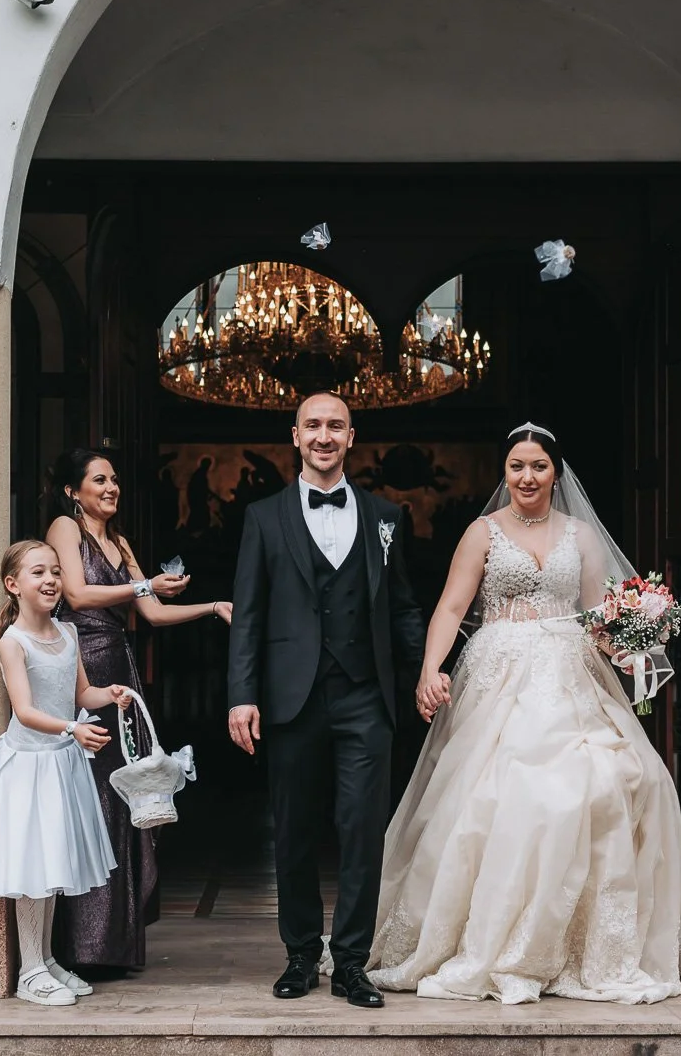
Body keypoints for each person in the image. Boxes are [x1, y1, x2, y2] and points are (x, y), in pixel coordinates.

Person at [369, 422, 681, 1005]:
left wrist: (633, 641)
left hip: (571, 673)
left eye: (538, 466)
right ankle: (491, 937)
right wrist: (430, 669)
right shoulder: (482, 532)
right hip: (500, 672)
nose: (526, 476)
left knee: (624, 782)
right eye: (516, 465)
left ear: (556, 473)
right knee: (500, 798)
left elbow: (597, 615)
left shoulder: (581, 535)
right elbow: (451, 605)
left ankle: (586, 941)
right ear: (505, 472)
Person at [227, 392, 424, 1008]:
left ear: (350, 435)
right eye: (313, 425)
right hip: (291, 699)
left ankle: (352, 963)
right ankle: (300, 955)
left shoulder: (388, 516)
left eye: (334, 426)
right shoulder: (263, 517)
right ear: (295, 435)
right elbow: (248, 617)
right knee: (294, 831)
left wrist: (429, 672)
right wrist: (242, 695)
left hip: (367, 697)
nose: (323, 435)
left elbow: (402, 608)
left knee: (363, 831)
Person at [43, 449, 231, 973]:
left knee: (131, 790)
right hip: (84, 663)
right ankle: (82, 945)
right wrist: (144, 585)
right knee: (94, 794)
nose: (110, 487)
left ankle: (116, 943)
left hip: (121, 665)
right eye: (99, 480)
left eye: (114, 479)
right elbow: (77, 596)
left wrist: (213, 607)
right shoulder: (66, 527)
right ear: (72, 491)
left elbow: (150, 611)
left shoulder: (120, 542)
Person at [0, 540, 130, 1007]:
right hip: (28, 766)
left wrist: (109, 695)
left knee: (51, 865)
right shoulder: (14, 641)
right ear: (14, 585)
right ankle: (29, 969)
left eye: (55, 571)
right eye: (38, 573)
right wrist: (73, 728)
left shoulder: (68, 634)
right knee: (32, 867)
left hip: (60, 762)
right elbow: (26, 711)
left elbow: (82, 693)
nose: (51, 580)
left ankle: (46, 960)